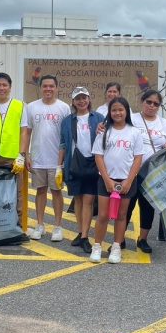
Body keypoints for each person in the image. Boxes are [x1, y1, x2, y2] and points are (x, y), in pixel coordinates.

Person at [90, 97, 144, 264]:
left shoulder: (135, 132)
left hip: (127, 181)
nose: (117, 113)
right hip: (106, 180)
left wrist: (129, 181)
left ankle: (116, 247)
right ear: (109, 112)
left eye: (121, 110)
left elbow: (137, 158)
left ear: (126, 112)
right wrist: (107, 179)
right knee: (103, 215)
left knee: (121, 216)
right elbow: (98, 156)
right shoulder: (104, 131)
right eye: (114, 110)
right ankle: (97, 247)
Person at [128, 89, 166, 253]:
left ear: (159, 106)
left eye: (155, 103)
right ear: (142, 102)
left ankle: (142, 239)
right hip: (130, 171)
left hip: (152, 174)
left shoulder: (164, 123)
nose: (151, 105)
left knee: (147, 207)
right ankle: (119, 239)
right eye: (148, 102)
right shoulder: (132, 119)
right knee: (126, 206)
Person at [24, 75, 71, 241]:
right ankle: (40, 224)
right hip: (37, 158)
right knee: (40, 191)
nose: (48, 89)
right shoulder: (31, 107)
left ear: (57, 88)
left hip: (56, 160)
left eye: (51, 86)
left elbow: (67, 136)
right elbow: (27, 132)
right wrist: (26, 154)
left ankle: (58, 227)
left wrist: (64, 160)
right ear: (41, 88)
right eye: (45, 86)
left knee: (57, 192)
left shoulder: (64, 108)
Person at [59, 87, 104, 254]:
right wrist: (59, 166)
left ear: (89, 99)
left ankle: (84, 236)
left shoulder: (98, 118)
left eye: (84, 98)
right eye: (78, 98)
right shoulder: (67, 121)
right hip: (74, 165)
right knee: (77, 200)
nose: (81, 101)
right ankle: (81, 232)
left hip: (93, 164)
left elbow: (106, 140)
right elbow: (63, 144)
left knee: (88, 201)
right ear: (73, 102)